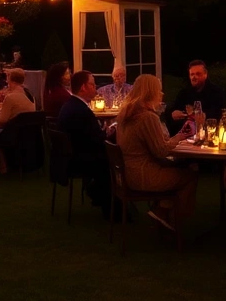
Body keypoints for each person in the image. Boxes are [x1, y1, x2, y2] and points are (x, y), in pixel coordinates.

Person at [115, 75, 198, 231]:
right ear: (150, 92)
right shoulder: (147, 117)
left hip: (127, 174)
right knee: (191, 174)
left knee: (179, 168)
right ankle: (172, 220)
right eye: (159, 90)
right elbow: (160, 151)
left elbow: (153, 147)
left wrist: (171, 139)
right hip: (143, 176)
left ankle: (162, 211)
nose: (162, 94)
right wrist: (181, 136)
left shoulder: (125, 114)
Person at [56, 70, 111, 214]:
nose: (95, 87)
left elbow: (89, 135)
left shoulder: (70, 105)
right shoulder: (80, 111)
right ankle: (110, 204)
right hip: (79, 159)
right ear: (83, 87)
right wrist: (110, 133)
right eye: (92, 84)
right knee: (115, 158)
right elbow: (97, 140)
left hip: (69, 156)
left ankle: (99, 195)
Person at [164, 60, 226, 135]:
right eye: (192, 74)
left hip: (210, 133)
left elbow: (220, 112)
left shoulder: (216, 92)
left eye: (198, 74)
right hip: (186, 135)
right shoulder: (184, 93)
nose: (194, 77)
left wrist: (204, 115)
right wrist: (173, 113)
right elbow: (173, 109)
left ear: (205, 74)